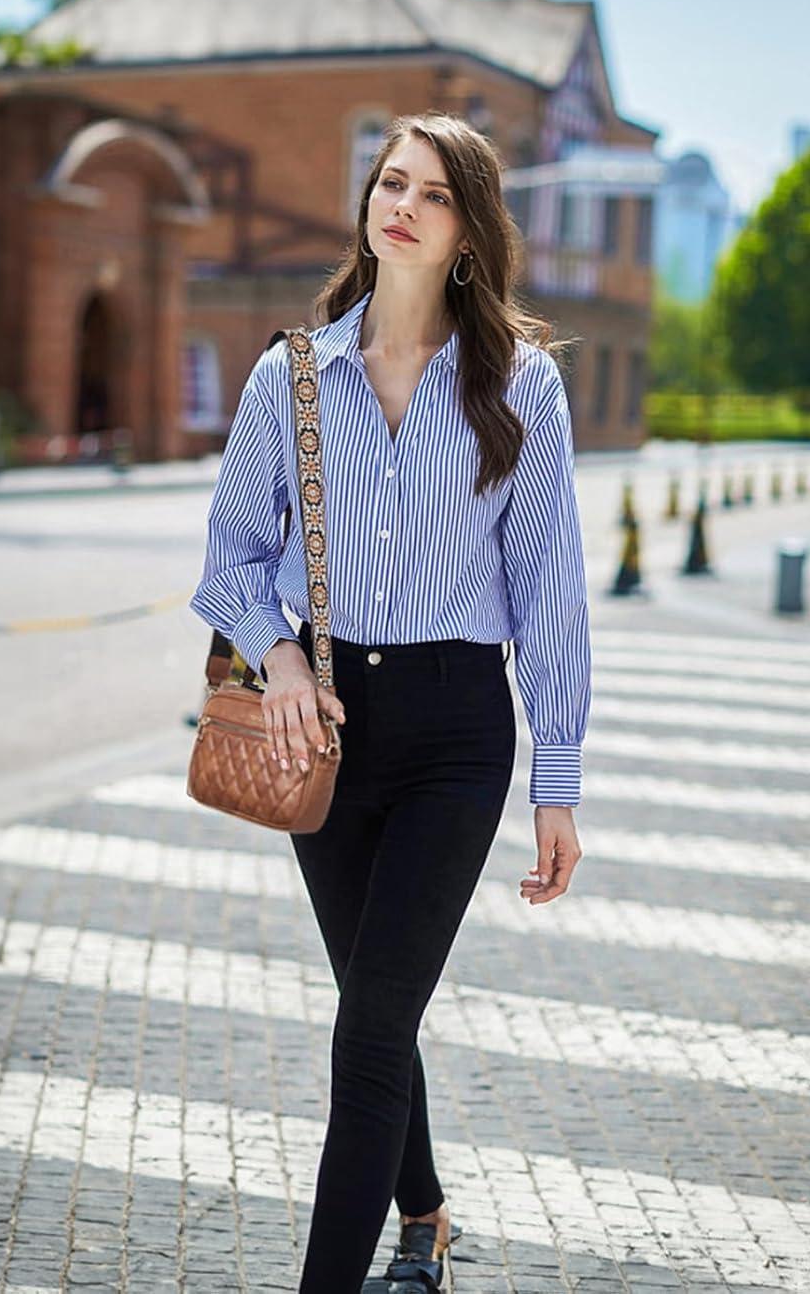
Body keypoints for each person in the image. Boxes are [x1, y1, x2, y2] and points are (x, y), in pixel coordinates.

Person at [189, 110, 591, 1292]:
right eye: (390, 183)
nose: (403, 205)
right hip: (324, 727)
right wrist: (284, 658)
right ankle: (424, 1217)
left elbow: (552, 595)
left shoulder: (523, 387)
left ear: (469, 232)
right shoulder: (292, 377)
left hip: (457, 737)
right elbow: (229, 556)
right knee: (376, 1007)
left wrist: (557, 783)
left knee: (367, 1029)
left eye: (433, 192)